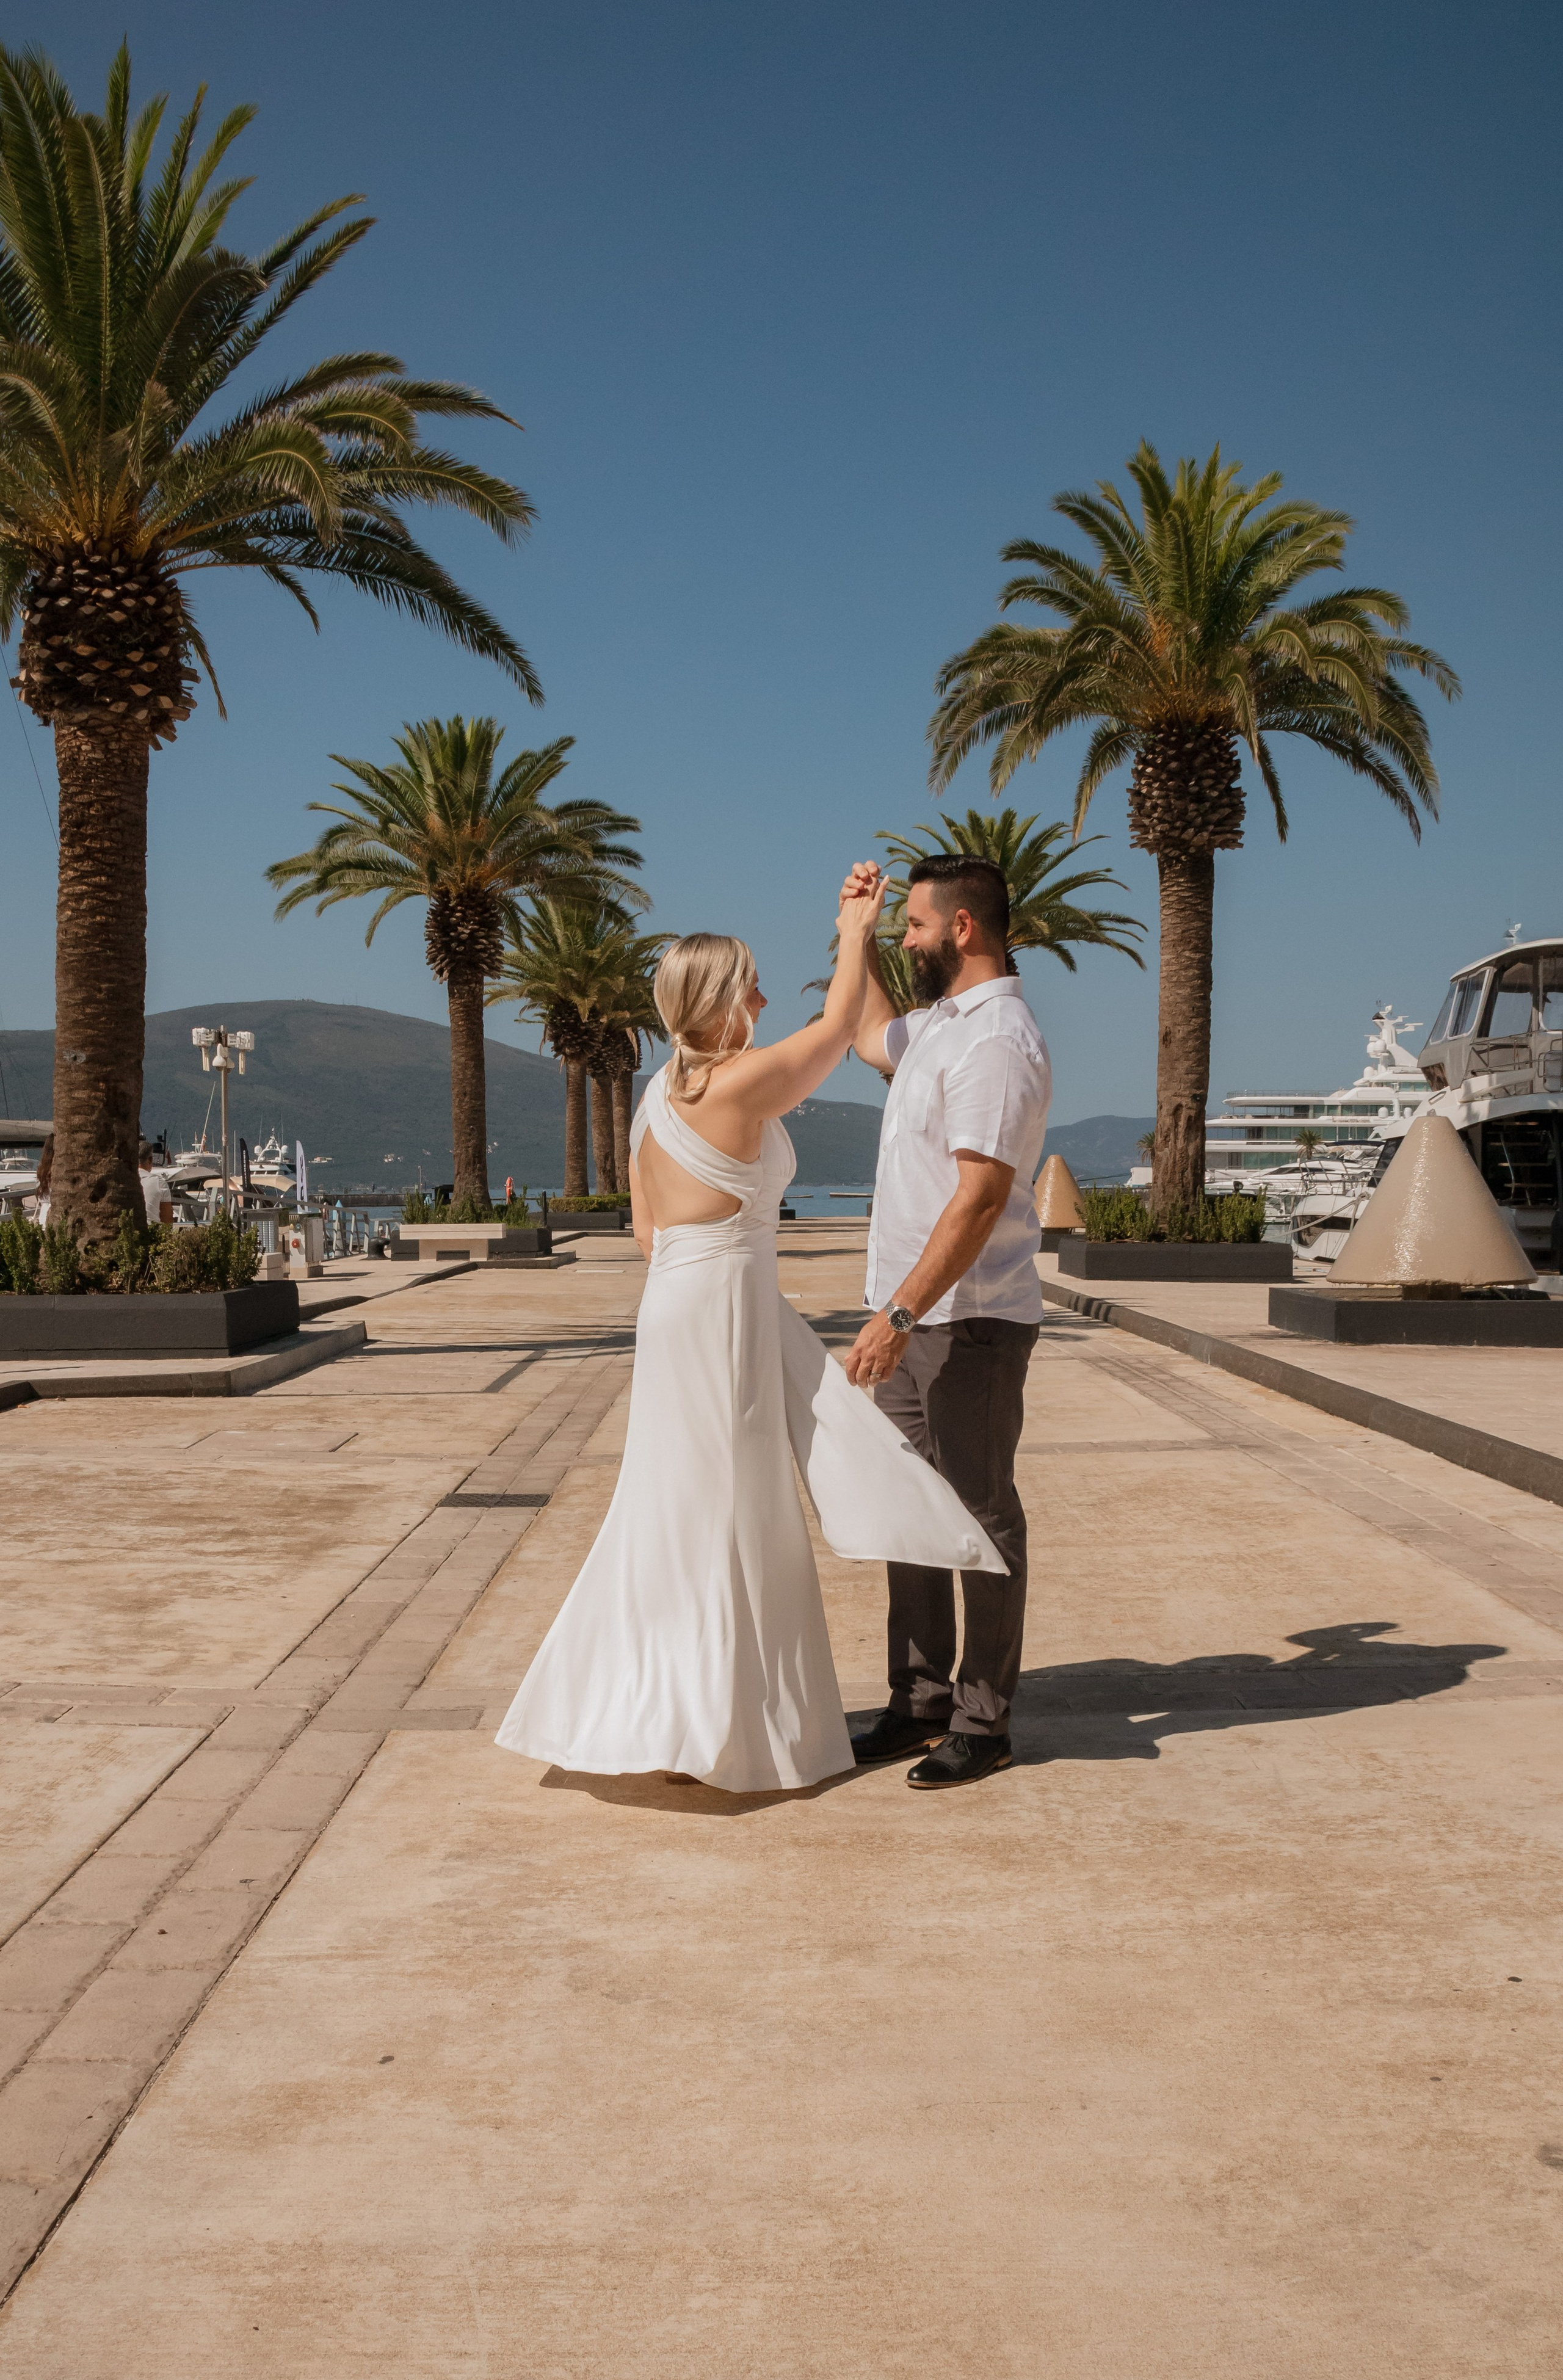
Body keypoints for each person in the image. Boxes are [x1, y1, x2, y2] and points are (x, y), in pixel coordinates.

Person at [495, 877, 1004, 1795]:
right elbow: (836, 1029)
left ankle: (666, 1716)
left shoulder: (658, 1096)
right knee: (729, 1505)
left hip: (681, 1300)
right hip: (723, 1304)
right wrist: (853, 927)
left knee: (678, 1500)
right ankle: (704, 1727)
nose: (765, 1002)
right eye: (752, 987)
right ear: (717, 1002)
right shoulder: (738, 1082)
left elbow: (649, 1231)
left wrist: (718, 1252)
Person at [841, 853, 1052, 1790]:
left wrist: (898, 1311)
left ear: (962, 928)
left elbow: (977, 1200)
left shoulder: (995, 1042)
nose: (907, 939)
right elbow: (864, 1032)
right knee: (910, 1514)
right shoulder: (936, 1028)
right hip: (915, 1319)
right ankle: (920, 1700)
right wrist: (855, 934)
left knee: (978, 1515)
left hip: (967, 1323)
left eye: (914, 927)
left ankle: (983, 1718)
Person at [138, 1141, 175, 1228]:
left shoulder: (123, 1180)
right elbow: (167, 1221)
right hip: (151, 1234)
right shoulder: (159, 1183)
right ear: (150, 1159)